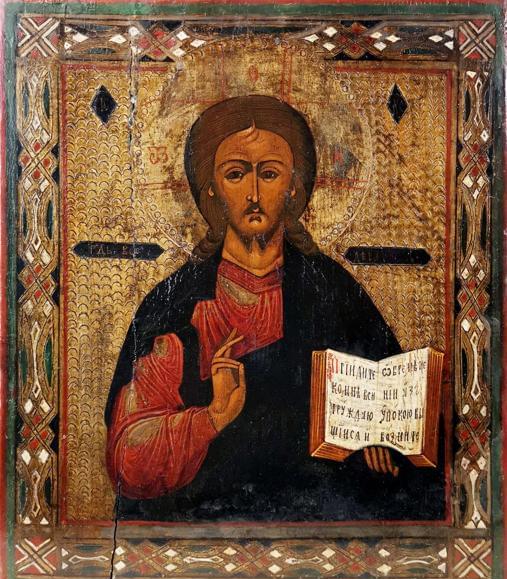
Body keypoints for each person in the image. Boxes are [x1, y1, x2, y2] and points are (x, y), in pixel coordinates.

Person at [105, 95, 445, 521]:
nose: (253, 194)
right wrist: (212, 417)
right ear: (210, 187)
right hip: (201, 524)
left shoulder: (334, 292)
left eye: (269, 174)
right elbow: (127, 461)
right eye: (235, 174)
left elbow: (400, 410)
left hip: (322, 521)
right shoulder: (175, 303)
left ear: (294, 186)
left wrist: (382, 436)